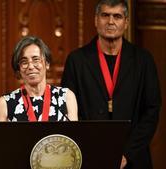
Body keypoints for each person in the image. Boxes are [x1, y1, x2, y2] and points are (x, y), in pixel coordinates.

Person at [61, 0, 161, 169]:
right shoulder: (76, 60)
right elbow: (68, 111)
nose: (111, 21)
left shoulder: (143, 60)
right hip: (90, 157)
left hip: (134, 159)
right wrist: (91, 149)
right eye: (105, 15)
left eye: (117, 16)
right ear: (96, 20)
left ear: (126, 22)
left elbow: (151, 111)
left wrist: (127, 154)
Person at [0, 35, 78, 122]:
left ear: (47, 63)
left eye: (36, 60)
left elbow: (73, 135)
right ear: (19, 68)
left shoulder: (66, 97)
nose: (30, 66)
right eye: (24, 62)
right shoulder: (5, 103)